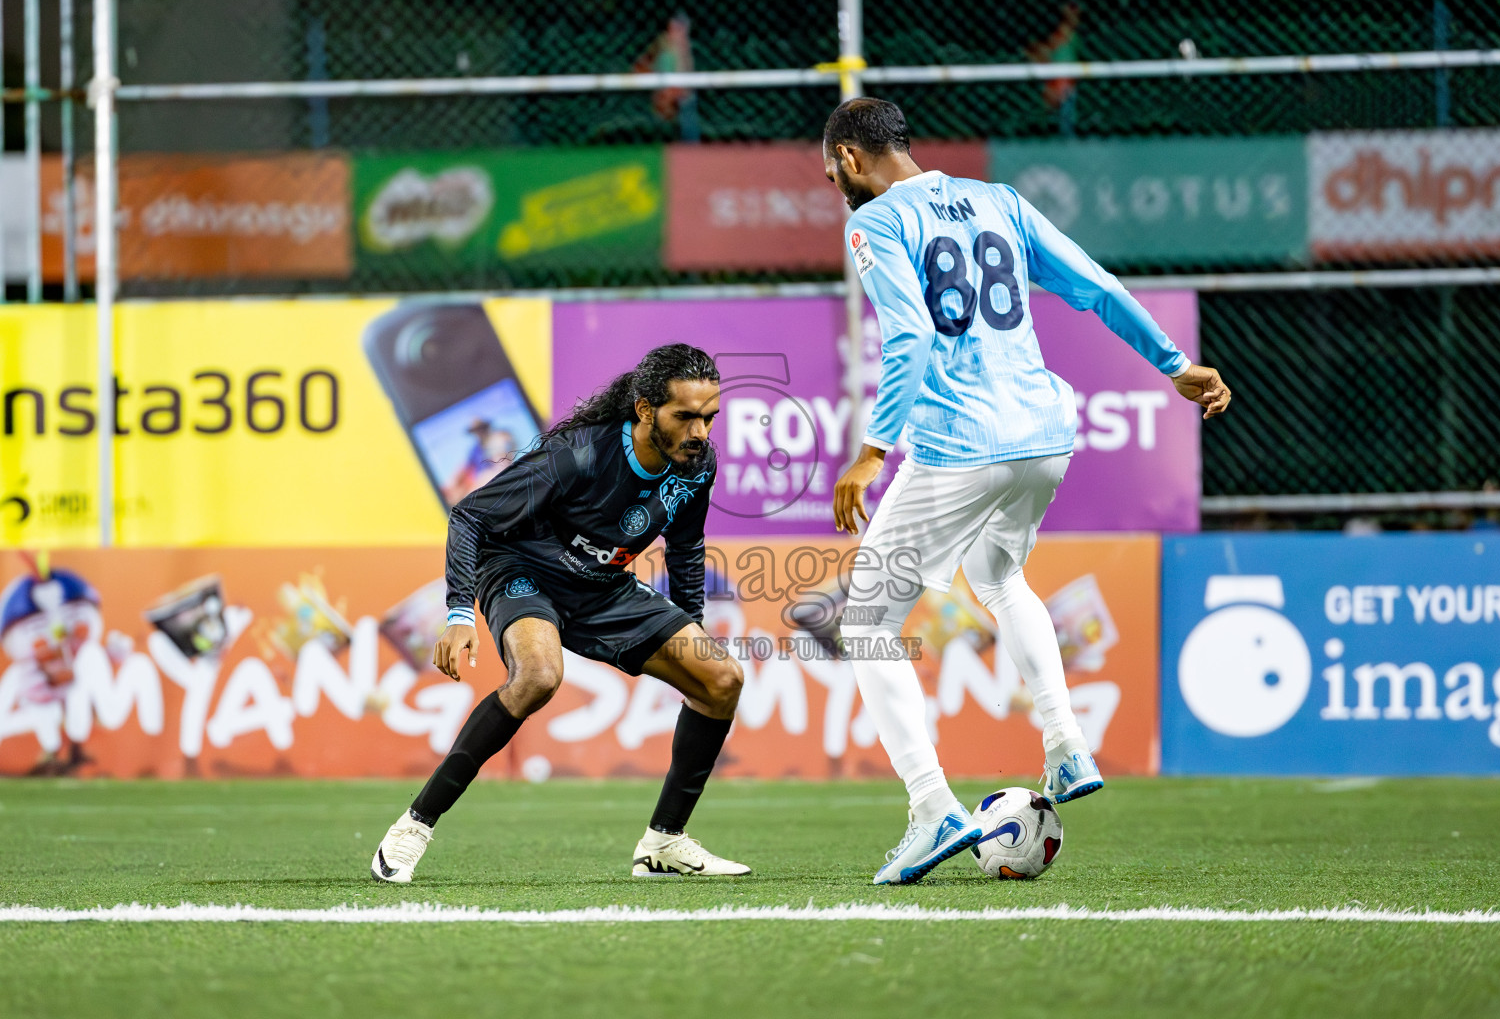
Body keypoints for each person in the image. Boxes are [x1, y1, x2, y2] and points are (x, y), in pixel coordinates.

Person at [824, 97, 1231, 885]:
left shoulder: (875, 223)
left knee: (868, 620)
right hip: (1046, 433)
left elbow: (908, 337)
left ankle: (931, 806)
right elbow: (1095, 285)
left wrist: (872, 452)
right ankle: (1066, 742)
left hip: (961, 445)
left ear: (847, 157)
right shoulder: (997, 201)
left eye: (829, 166)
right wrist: (1176, 364)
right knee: (1001, 578)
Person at [371, 343, 751, 882]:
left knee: (721, 680)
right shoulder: (580, 454)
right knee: (540, 676)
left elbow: (686, 547)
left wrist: (691, 626)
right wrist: (459, 612)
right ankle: (413, 826)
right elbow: (469, 516)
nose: (700, 432)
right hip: (524, 572)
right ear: (645, 410)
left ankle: (664, 843)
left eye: (709, 418)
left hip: (603, 589)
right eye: (685, 416)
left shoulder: (696, 465)